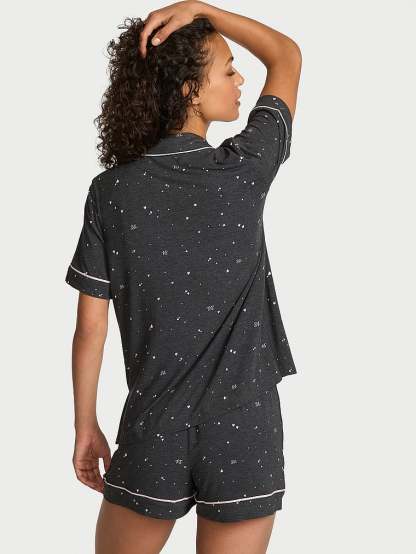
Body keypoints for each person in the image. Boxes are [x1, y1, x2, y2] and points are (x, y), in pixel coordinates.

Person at [65, 2, 301, 552]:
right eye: (228, 68)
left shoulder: (111, 192)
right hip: (245, 428)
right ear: (191, 89)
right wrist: (202, 8)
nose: (240, 80)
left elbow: (90, 328)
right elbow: (286, 56)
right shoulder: (244, 168)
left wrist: (85, 425)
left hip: (154, 426)